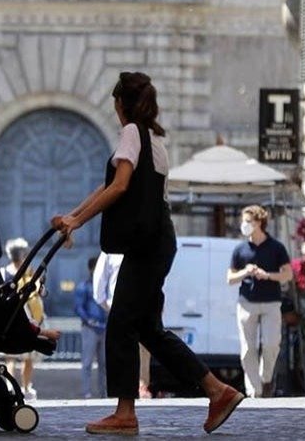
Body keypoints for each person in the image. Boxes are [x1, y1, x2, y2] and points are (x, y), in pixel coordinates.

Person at [52, 72, 244, 435]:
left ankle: (125, 414)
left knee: (122, 323)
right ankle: (217, 390)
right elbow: (108, 185)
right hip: (159, 239)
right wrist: (73, 216)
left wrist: (76, 222)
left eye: (115, 104)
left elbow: (120, 185)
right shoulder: (154, 138)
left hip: (147, 244)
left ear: (121, 104)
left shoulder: (131, 133)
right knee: (148, 329)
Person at [227, 205, 292, 398]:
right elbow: (229, 278)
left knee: (271, 344)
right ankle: (254, 391)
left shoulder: (276, 247)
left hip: (271, 302)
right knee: (248, 348)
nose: (244, 225)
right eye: (243, 221)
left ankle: (266, 379)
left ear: (259, 223)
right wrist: (245, 272)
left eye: (248, 221)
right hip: (247, 302)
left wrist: (268, 275)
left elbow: (287, 274)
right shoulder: (240, 250)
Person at [93, 252, 152, 399]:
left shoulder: (111, 251)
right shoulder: (109, 251)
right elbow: (99, 286)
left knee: (137, 350)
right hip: (127, 308)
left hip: (138, 307)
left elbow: (99, 291)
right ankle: (133, 389)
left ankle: (137, 387)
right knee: (129, 350)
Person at [1, 238, 44, 400]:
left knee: (10, 356)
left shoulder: (4, 271)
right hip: (29, 316)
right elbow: (40, 291)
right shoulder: (29, 272)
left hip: (11, 316)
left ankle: (10, 386)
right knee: (28, 355)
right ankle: (25, 387)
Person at [75, 256, 107, 399]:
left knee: (104, 363)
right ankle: (86, 392)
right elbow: (78, 307)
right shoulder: (84, 286)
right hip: (90, 328)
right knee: (87, 362)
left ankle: (104, 392)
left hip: (105, 327)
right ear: (91, 269)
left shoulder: (106, 286)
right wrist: (89, 320)